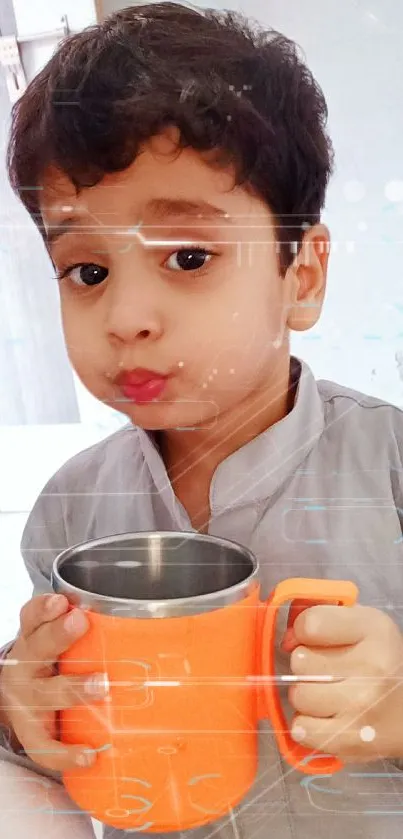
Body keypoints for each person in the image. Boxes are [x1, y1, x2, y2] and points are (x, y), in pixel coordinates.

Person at [1, 3, 403, 838]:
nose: (126, 315)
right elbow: (43, 729)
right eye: (85, 269)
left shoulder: (389, 467)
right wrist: (19, 705)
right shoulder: (69, 510)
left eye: (188, 257)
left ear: (301, 274)